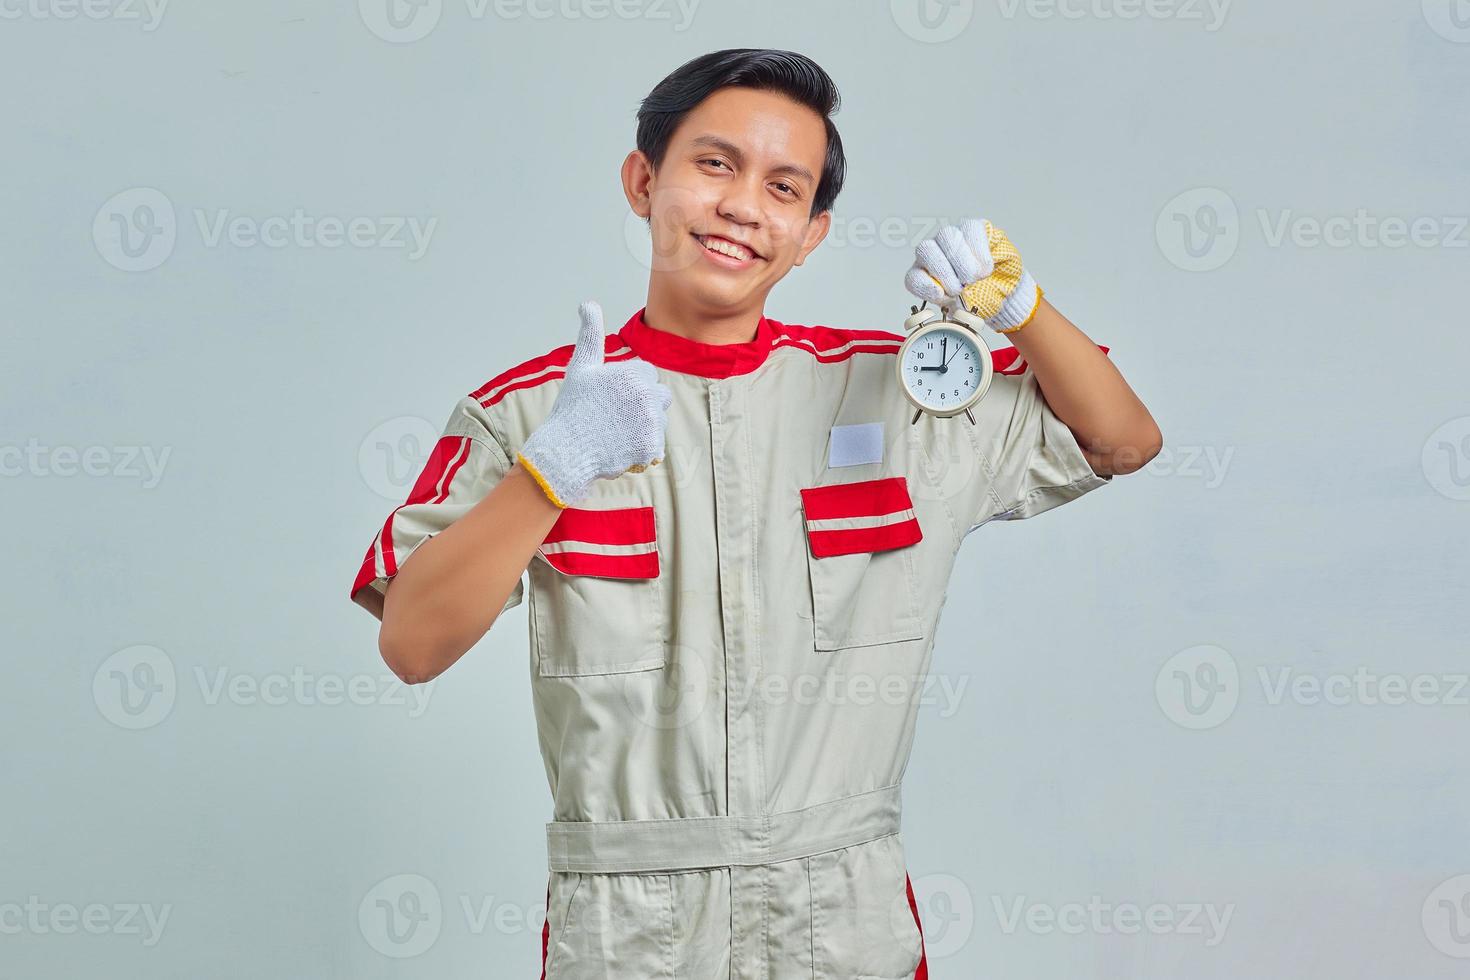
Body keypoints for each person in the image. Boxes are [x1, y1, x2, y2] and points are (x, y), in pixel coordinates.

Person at [349, 47, 1161, 980]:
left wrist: (1023, 310)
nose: (743, 206)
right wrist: (554, 469)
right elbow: (411, 645)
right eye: (715, 164)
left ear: (811, 232)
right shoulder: (532, 410)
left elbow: (1122, 441)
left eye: (784, 187)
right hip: (627, 930)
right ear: (643, 180)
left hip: (841, 919)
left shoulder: (895, 391)